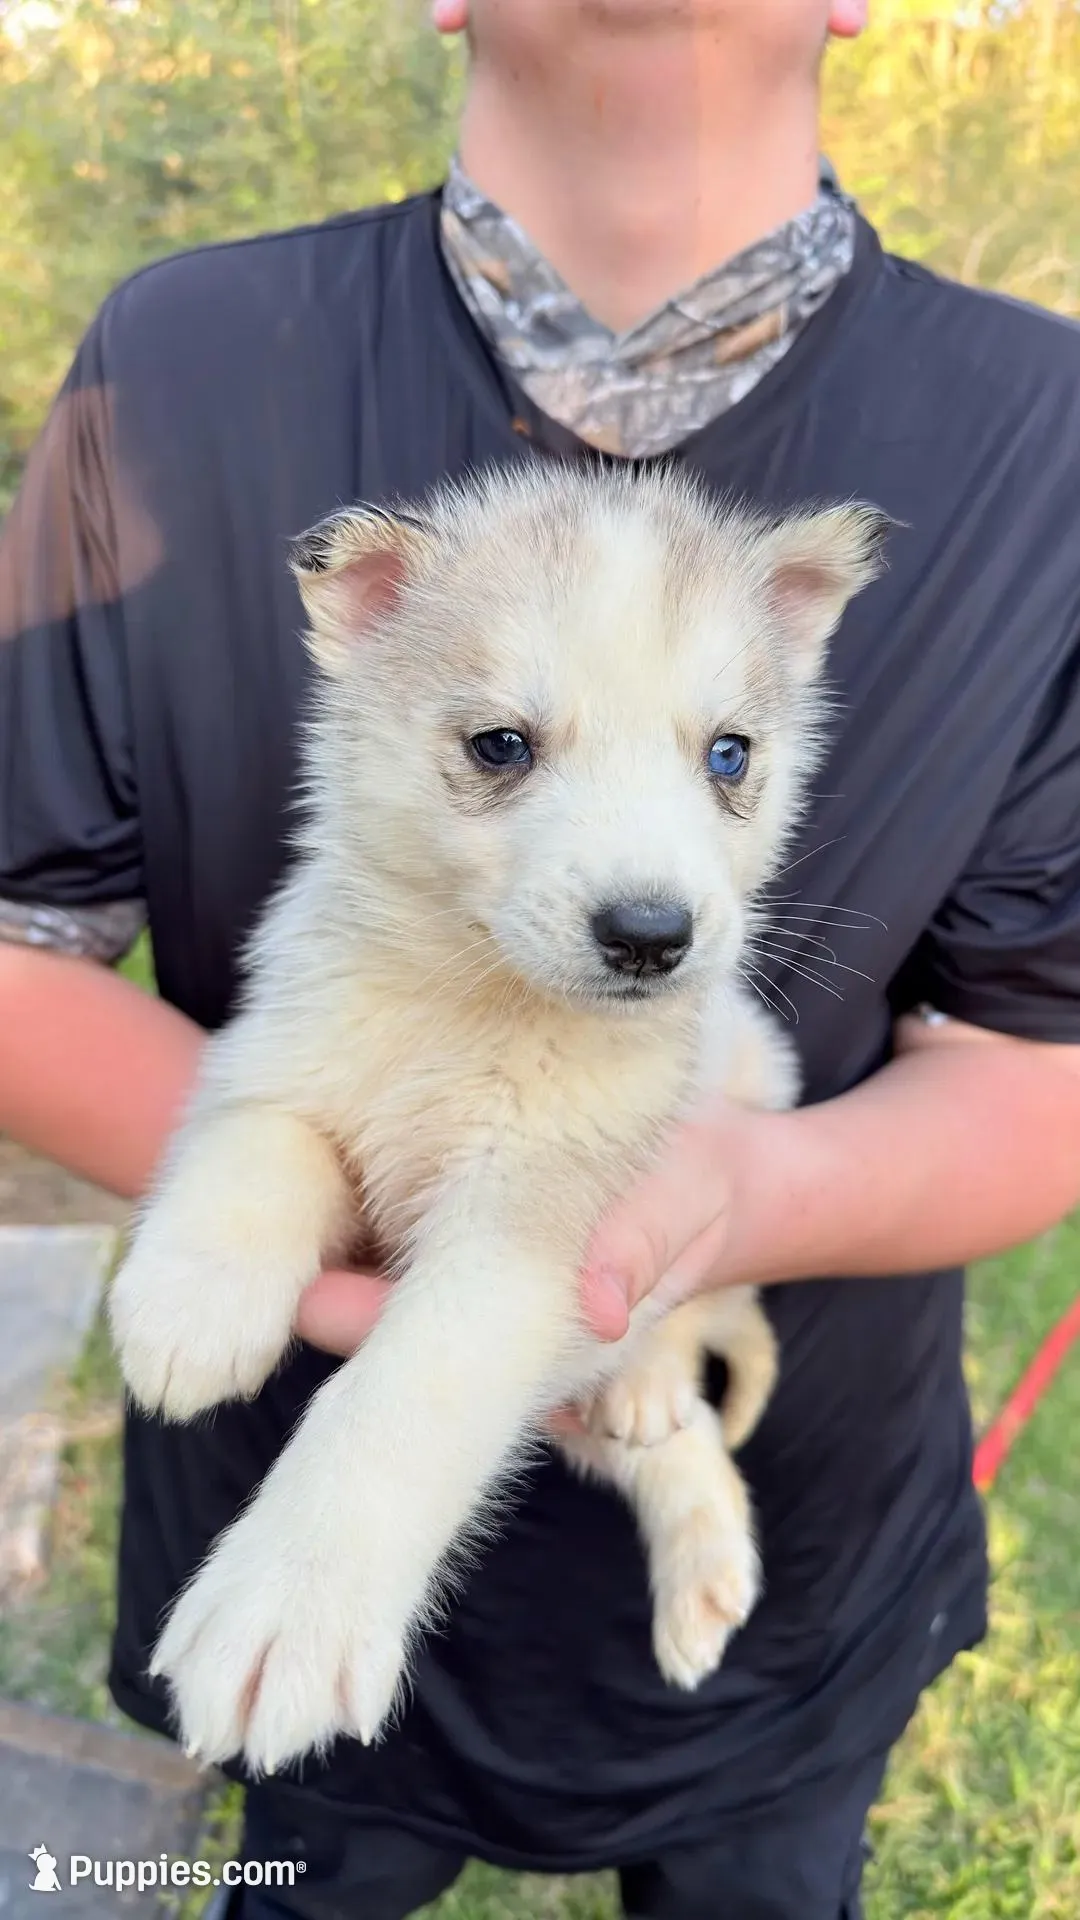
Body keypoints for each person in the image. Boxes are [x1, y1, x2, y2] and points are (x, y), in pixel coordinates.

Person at [2, 2, 1080, 1915]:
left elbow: (1046, 1071)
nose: (648, 880)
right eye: (505, 747)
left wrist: (724, 1194)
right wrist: (270, 1195)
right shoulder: (177, 364)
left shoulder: (1046, 439)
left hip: (809, 1597)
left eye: (723, 759)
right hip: (257, 1550)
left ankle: (681, 1498)